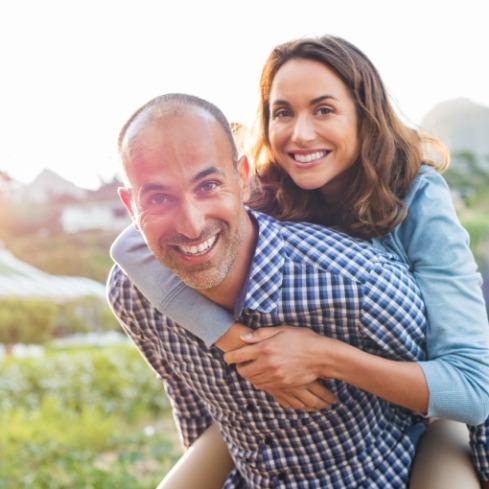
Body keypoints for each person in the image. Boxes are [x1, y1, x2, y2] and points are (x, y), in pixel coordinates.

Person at [110, 35, 489, 486]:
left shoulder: (417, 198)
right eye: (283, 112)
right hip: (284, 411)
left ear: (363, 117)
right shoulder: (265, 187)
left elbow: (470, 386)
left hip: (420, 402)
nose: (300, 133)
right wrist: (236, 342)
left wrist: (323, 355)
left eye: (323, 110)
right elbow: (130, 248)